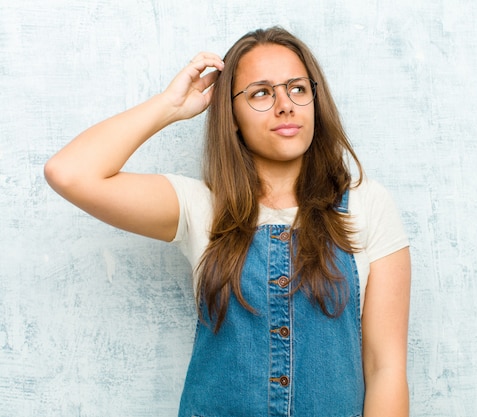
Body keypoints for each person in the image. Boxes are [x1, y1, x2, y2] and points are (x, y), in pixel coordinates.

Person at [45, 26, 411, 417]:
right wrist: (170, 106)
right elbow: (69, 173)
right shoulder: (199, 206)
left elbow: (384, 368)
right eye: (261, 93)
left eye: (298, 89)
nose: (285, 105)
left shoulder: (368, 205)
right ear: (231, 115)